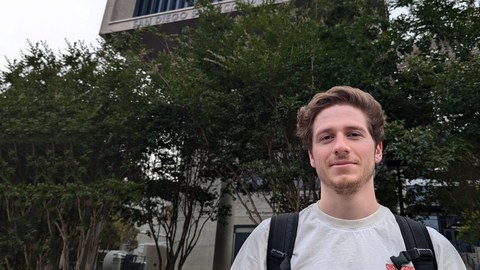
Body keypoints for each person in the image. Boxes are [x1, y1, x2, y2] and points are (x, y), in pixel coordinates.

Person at [230, 86, 466, 269]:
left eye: (353, 134)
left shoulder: (432, 250)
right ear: (312, 156)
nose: (340, 146)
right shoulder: (267, 243)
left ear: (377, 150)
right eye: (326, 137)